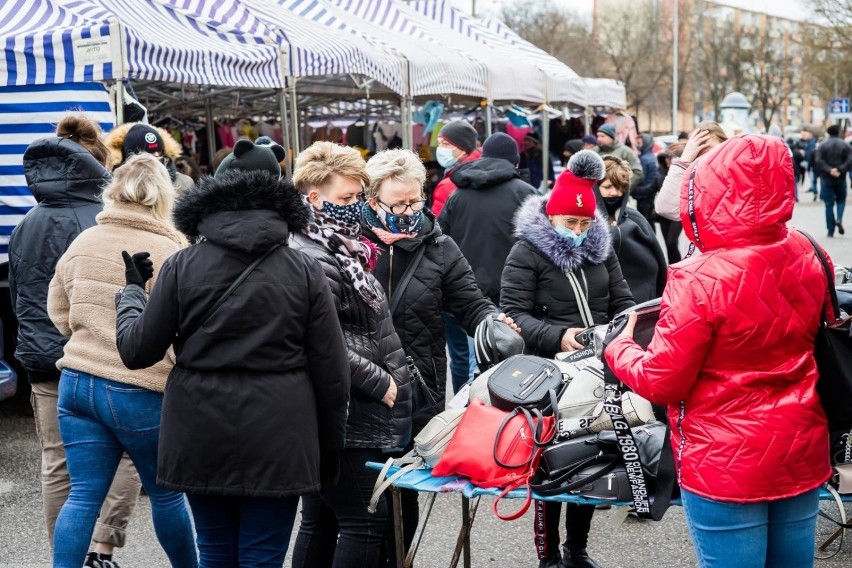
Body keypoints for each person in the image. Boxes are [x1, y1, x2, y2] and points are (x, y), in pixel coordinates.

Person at [114, 140, 350, 566]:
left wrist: (132, 293)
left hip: (199, 429)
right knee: (263, 555)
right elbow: (333, 372)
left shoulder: (182, 265)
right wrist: (329, 447)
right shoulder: (303, 270)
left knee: (216, 551)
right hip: (281, 431)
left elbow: (136, 351)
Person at [605, 134, 832, 568]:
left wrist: (618, 347)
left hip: (724, 457)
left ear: (708, 191)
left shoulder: (699, 277)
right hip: (799, 442)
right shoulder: (807, 249)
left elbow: (662, 380)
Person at [361, 148, 520, 566]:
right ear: (372, 201)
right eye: (397, 204)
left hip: (416, 393)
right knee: (360, 513)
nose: (408, 211)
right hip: (356, 392)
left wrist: (491, 322)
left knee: (403, 502)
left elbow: (470, 302)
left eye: (415, 201)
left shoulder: (441, 247)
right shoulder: (350, 248)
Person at [47, 153, 196, 568]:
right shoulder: (171, 249)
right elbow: (186, 327)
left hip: (76, 380)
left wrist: (88, 336)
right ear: (163, 196)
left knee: (82, 495)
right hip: (140, 387)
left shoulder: (83, 242)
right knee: (166, 494)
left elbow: (58, 310)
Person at [11, 114, 141, 568]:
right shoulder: (103, 220)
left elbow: (23, 296)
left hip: (44, 360)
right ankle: (102, 548)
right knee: (126, 453)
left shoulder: (27, 223)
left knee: (57, 461)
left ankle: (65, 556)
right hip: (105, 356)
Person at [501, 151, 634, 568]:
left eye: (585, 223)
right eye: (569, 223)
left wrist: (626, 327)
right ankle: (547, 556)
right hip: (549, 371)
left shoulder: (601, 249)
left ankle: (577, 549)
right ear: (552, 218)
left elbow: (622, 298)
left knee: (593, 458)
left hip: (598, 367)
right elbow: (514, 315)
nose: (577, 231)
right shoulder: (526, 252)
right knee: (548, 464)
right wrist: (560, 336)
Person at [290, 142, 412, 568]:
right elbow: (322, 340)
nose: (354, 206)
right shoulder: (313, 253)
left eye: (358, 197)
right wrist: (382, 384)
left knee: (320, 519)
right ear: (314, 198)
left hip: (343, 406)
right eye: (346, 198)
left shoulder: (336, 246)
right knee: (361, 521)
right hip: (350, 408)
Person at [439, 132, 537, 392]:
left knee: (463, 356)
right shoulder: (526, 195)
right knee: (501, 359)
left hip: (460, 292)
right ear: (515, 163)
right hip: (511, 295)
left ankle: (462, 408)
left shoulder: (457, 195)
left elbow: (440, 240)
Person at [597, 156, 667, 302]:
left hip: (640, 302)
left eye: (620, 187)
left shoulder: (635, 218)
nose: (615, 193)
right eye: (607, 187)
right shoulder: (584, 221)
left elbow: (658, 261)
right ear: (595, 188)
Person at [654, 121, 728, 223]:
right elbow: (665, 208)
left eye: (711, 150)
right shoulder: (694, 178)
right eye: (699, 152)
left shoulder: (737, 171)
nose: (706, 157)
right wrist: (685, 159)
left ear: (725, 146)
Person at [105, 123, 194, 194]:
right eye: (149, 152)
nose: (156, 155)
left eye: (159, 150)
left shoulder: (184, 183)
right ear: (131, 158)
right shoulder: (117, 188)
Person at [430, 120, 481, 216]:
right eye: (439, 143)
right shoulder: (482, 171)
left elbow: (438, 225)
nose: (440, 149)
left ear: (464, 150)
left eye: (445, 144)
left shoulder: (449, 184)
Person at [814, 124, 852, 237]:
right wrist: (840, 169)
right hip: (841, 177)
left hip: (826, 178)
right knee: (841, 200)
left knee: (828, 204)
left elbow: (819, 160)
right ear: (838, 132)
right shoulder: (845, 145)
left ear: (828, 133)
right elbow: (850, 160)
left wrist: (830, 170)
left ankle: (830, 230)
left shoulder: (822, 145)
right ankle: (839, 219)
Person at [653, 146, 684, 263]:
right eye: (666, 158)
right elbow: (653, 188)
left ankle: (678, 266)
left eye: (669, 158)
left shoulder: (682, 172)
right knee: (667, 243)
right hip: (663, 214)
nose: (667, 160)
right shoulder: (662, 172)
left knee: (672, 242)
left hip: (677, 212)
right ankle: (672, 268)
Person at [594, 124, 642, 192]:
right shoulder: (594, 151)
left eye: (602, 136)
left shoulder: (626, 151)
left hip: (617, 195)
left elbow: (637, 171)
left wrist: (623, 189)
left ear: (611, 137)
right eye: (598, 136)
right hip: (596, 195)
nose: (599, 139)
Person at [631, 134, 659, 223]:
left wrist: (634, 189)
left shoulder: (644, 159)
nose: (637, 145)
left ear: (645, 143)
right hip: (650, 193)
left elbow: (641, 178)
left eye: (639, 143)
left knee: (644, 221)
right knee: (649, 221)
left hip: (643, 194)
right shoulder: (652, 156)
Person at [797, 128, 818, 200]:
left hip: (811, 163)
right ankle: (813, 189)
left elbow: (810, 154)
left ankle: (814, 191)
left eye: (806, 135)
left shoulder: (812, 143)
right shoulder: (809, 142)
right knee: (811, 177)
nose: (804, 136)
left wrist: (804, 153)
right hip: (809, 162)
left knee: (812, 178)